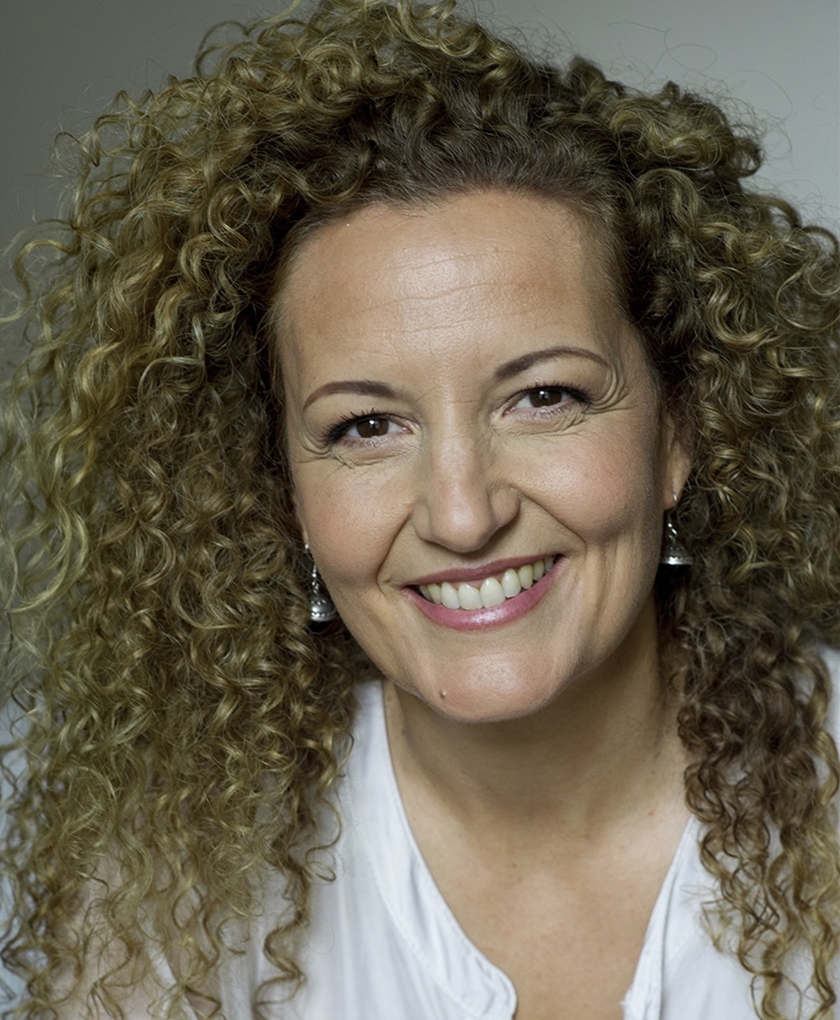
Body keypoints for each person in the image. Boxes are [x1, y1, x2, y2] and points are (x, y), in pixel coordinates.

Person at [1, 0, 839, 1017]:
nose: (462, 515)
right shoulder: (150, 882)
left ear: (678, 434)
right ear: (281, 487)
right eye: (365, 426)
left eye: (544, 397)